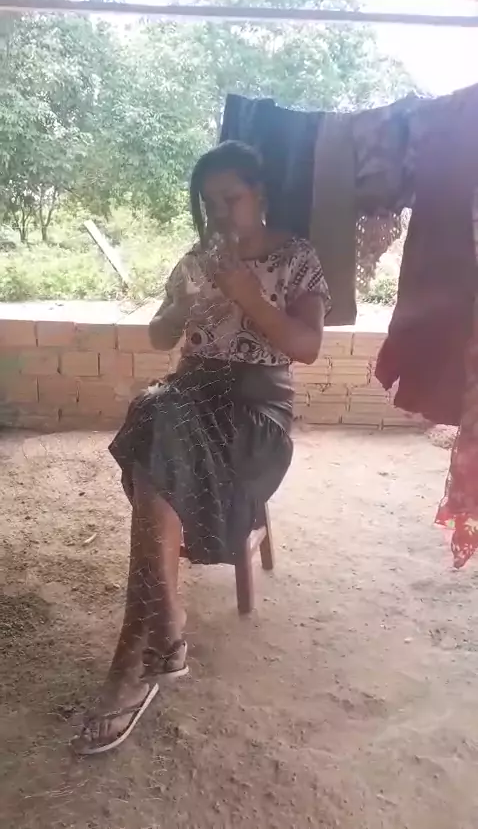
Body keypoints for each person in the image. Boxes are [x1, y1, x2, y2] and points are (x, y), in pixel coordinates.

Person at [73, 141, 331, 755]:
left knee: (157, 430)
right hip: (188, 400)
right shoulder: (196, 260)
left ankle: (145, 648)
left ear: (259, 195)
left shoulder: (296, 257)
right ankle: (157, 636)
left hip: (253, 413)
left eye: (229, 199)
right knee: (159, 413)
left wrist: (244, 292)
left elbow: (307, 347)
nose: (218, 212)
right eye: (207, 202)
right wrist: (180, 309)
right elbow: (160, 336)